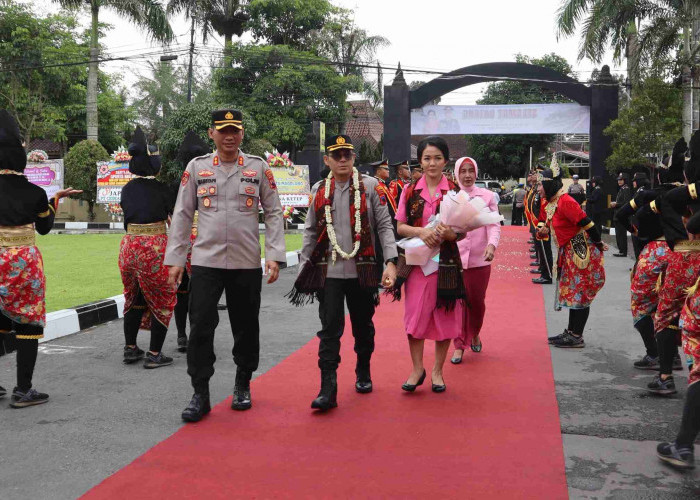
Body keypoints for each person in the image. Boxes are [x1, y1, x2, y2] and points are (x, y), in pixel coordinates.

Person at [165, 109, 285, 422]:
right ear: (212, 133)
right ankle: (200, 392)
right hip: (206, 260)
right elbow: (181, 213)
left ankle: (243, 382)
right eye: (223, 131)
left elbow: (273, 212)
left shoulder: (257, 167)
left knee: (246, 325)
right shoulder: (197, 167)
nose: (229, 136)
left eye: (235, 131)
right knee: (201, 325)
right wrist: (176, 259)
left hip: (246, 261)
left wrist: (274, 253)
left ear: (242, 133)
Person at [288, 135, 397, 411]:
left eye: (347, 154)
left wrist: (392, 263)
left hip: (364, 270)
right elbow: (311, 232)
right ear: (327, 160)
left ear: (354, 158)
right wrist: (304, 268)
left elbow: (385, 226)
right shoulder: (319, 189)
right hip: (330, 272)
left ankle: (363, 370)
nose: (342, 160)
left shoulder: (372, 187)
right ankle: (328, 387)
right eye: (336, 155)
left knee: (363, 326)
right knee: (329, 330)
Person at [0, 109, 81, 407]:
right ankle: (23, 390)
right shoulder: (34, 192)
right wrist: (55, 199)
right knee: (28, 323)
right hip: (23, 263)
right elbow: (45, 228)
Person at [390, 136, 465, 393]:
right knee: (415, 317)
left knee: (445, 317)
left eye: (437, 158)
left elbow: (462, 232)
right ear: (419, 162)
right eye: (426, 158)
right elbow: (399, 227)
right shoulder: (410, 191)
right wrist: (421, 232)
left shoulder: (454, 191)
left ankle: (437, 371)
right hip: (416, 265)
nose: (431, 163)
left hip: (445, 265)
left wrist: (448, 234)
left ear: (445, 160)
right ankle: (417, 368)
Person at [118, 127, 177, 368]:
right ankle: (154, 353)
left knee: (133, 298)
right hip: (154, 248)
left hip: (129, 247)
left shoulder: (126, 189)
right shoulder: (163, 189)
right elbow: (175, 219)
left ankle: (130, 348)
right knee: (163, 299)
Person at [657, 146, 700, 469]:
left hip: (682, 259)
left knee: (667, 318)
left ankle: (664, 374)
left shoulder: (675, 195)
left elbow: (659, 206)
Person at [540, 156, 607, 348]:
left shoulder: (566, 201)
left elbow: (589, 224)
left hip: (579, 250)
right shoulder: (554, 202)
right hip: (569, 250)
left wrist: (598, 244)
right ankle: (570, 331)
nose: (538, 189)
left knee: (580, 293)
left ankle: (576, 335)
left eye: (540, 185)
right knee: (573, 293)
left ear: (550, 185)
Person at [615, 186, 672, 371]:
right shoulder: (684, 194)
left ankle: (654, 353)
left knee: (640, 305)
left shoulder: (646, 196)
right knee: (671, 305)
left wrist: (636, 231)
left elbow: (621, 215)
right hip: (681, 253)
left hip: (653, 252)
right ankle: (673, 356)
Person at [449, 157, 500, 364]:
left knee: (476, 303)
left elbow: (494, 224)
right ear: (456, 173)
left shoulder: (487, 196)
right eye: (463, 171)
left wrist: (491, 245)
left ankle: (474, 332)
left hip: (480, 259)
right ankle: (459, 344)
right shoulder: (450, 196)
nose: (467, 175)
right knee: (457, 303)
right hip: (455, 260)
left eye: (471, 171)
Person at [171, 131, 212, 353]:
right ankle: (190, 334)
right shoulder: (198, 176)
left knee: (185, 293)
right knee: (198, 293)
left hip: (193, 241)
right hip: (199, 241)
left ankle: (183, 335)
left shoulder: (179, 181)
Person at [610, 173, 632, 257]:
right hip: (618, 214)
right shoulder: (622, 189)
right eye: (619, 180)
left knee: (621, 234)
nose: (619, 181)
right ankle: (621, 250)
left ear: (625, 180)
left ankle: (623, 251)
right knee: (618, 234)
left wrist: (616, 204)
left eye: (621, 180)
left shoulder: (626, 189)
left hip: (621, 215)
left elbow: (626, 203)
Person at [631, 171, 651, 259]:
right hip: (637, 222)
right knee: (637, 247)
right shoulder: (639, 191)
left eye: (635, 180)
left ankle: (639, 265)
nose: (633, 182)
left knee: (639, 247)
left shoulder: (642, 192)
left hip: (640, 223)